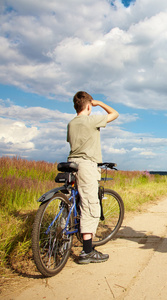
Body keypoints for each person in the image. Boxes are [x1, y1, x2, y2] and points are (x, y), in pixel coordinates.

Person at [67, 91, 119, 264]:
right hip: (86, 165)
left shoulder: (71, 123)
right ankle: (87, 251)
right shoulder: (91, 120)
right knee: (90, 206)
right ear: (88, 106)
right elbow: (115, 114)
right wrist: (100, 103)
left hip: (71, 163)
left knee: (75, 200)